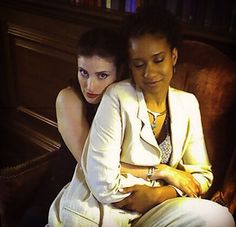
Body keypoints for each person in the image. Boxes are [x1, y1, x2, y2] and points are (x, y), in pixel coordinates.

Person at [48, 6, 235, 227]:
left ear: (173, 57)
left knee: (219, 218)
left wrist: (160, 194)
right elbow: (103, 183)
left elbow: (202, 177)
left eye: (158, 60)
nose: (149, 73)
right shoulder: (117, 96)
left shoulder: (187, 104)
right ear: (130, 67)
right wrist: (161, 174)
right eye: (139, 64)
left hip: (156, 207)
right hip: (106, 209)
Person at [20, 27, 126, 226]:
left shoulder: (124, 100)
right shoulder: (68, 98)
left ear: (119, 72)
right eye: (83, 72)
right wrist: (160, 172)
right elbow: (95, 168)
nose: (90, 86)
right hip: (64, 192)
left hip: (103, 202)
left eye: (102, 75)